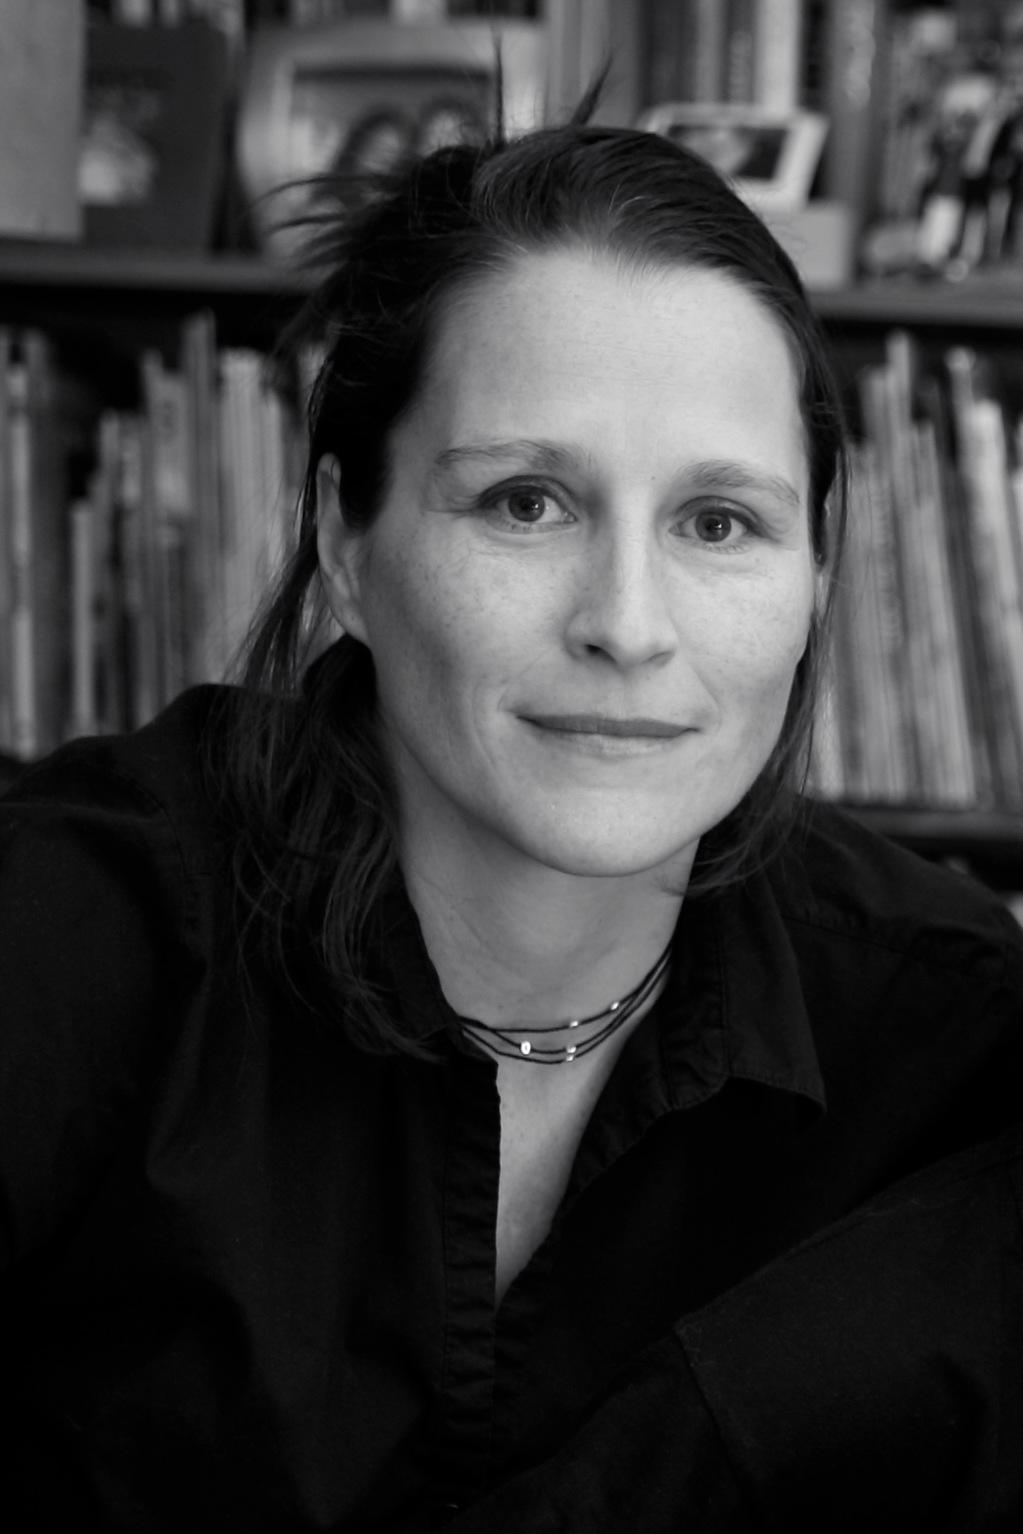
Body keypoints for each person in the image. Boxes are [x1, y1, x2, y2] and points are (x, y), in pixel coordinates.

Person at [1, 89, 1022, 1533]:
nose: (626, 624)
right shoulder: (71, 925)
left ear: (817, 579)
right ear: (346, 543)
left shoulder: (948, 1020)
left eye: (719, 522)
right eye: (527, 502)